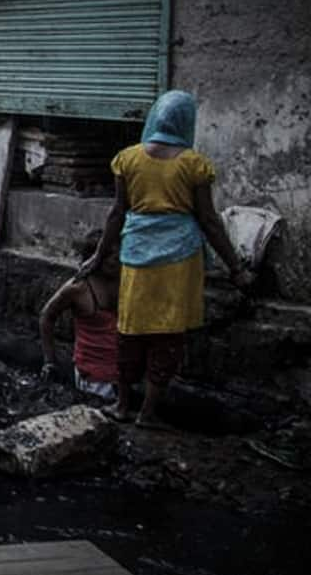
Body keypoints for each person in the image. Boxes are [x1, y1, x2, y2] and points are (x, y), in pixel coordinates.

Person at [82, 90, 255, 428]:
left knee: (130, 331)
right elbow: (209, 220)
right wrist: (236, 268)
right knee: (168, 335)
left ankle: (121, 406)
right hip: (179, 262)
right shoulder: (194, 165)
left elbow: (116, 214)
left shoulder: (127, 160)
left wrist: (98, 256)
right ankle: (147, 412)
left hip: (136, 257)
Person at [40, 230, 119, 401]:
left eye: (118, 253)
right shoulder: (78, 288)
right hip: (94, 376)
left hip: (123, 375)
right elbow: (47, 316)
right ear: (94, 258)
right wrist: (49, 360)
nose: (115, 259)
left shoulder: (125, 281)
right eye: (109, 254)